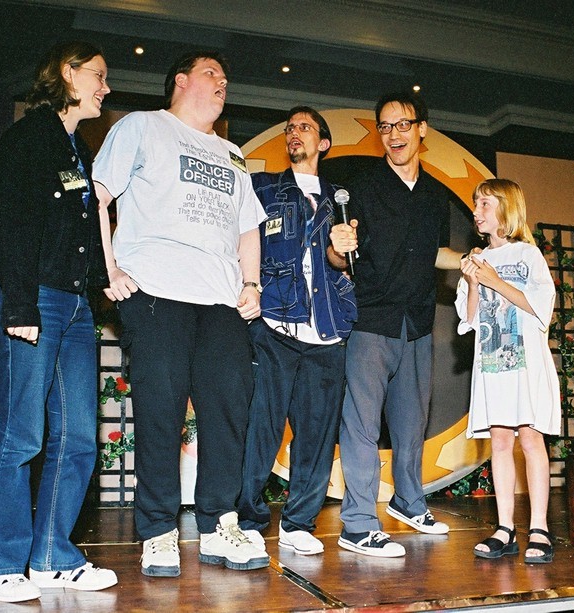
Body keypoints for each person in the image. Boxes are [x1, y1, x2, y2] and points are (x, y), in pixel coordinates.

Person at [92, 51, 269, 578]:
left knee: (229, 407)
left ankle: (219, 523)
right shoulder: (142, 127)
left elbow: (248, 228)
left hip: (221, 300)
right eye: (212, 73)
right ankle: (158, 531)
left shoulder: (233, 154)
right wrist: (108, 267)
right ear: (181, 81)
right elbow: (96, 198)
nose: (223, 81)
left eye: (225, 76)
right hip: (156, 291)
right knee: (160, 411)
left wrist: (251, 283)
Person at [0, 41, 118, 602]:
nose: (105, 87)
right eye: (98, 75)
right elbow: (9, 223)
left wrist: (105, 277)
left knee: (77, 437)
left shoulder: (77, 150)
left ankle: (52, 557)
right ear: (67, 74)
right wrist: (20, 306)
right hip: (35, 300)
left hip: (75, 306)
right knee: (21, 435)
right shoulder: (28, 138)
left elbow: (77, 229)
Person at [329, 91, 465, 558]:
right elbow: (339, 257)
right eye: (385, 127)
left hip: (418, 322)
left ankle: (408, 501)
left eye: (403, 124)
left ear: (422, 129)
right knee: (362, 426)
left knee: (411, 424)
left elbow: (435, 254)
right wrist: (336, 246)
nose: (394, 134)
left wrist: (473, 261)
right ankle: (358, 525)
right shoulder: (361, 188)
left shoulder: (434, 195)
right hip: (371, 320)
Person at [236, 107, 357, 556]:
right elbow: (240, 241)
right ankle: (249, 519)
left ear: (323, 143)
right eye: (290, 128)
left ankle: (299, 522)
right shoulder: (262, 188)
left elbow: (345, 262)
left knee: (318, 433)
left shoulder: (341, 199)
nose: (294, 133)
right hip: (275, 323)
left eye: (304, 127)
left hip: (327, 330)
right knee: (261, 427)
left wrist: (340, 250)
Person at [455, 178, 560, 564]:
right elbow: (469, 320)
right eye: (475, 203)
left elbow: (541, 307)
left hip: (525, 365)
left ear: (506, 208)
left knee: (531, 440)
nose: (476, 211)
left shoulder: (528, 255)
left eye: (484, 203)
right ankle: (505, 528)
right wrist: (473, 282)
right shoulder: (476, 260)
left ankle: (540, 528)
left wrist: (495, 281)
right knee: (499, 442)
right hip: (493, 363)